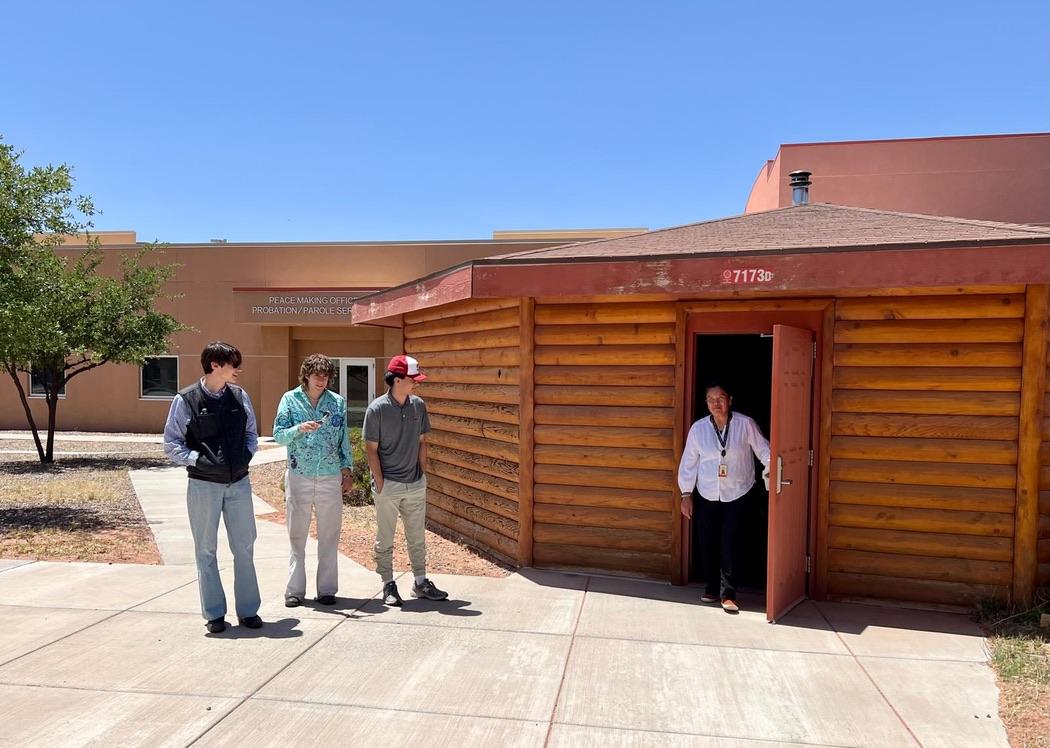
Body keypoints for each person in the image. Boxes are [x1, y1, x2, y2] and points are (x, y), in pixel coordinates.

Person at [163, 341, 263, 634]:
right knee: (206, 550)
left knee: (244, 547)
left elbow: (251, 433)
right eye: (233, 364)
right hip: (203, 486)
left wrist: (245, 455)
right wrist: (198, 460)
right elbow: (171, 443)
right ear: (215, 366)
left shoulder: (240, 396)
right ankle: (215, 614)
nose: (238, 370)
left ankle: (248, 611)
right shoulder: (186, 400)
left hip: (239, 484)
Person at [362, 354, 448, 605]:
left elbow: (423, 441)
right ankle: (388, 584)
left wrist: (422, 474)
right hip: (389, 485)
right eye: (413, 379)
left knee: (417, 537)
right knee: (385, 538)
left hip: (415, 484)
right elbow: (371, 449)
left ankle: (420, 582)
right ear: (398, 380)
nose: (417, 384)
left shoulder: (418, 406)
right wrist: (380, 482)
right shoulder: (376, 409)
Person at [677, 383, 770, 613]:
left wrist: (773, 471)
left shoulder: (745, 424)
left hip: (738, 492)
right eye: (711, 399)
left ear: (730, 399)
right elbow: (689, 462)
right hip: (707, 492)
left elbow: (763, 450)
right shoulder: (698, 429)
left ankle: (728, 593)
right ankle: (710, 587)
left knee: (731, 543)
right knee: (707, 542)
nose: (716, 404)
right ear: (706, 403)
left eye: (720, 398)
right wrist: (686, 494)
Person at [272, 354, 353, 607]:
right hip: (299, 474)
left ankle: (327, 590)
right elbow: (278, 436)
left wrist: (347, 470)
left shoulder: (337, 402)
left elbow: (344, 439)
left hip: (330, 475)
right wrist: (299, 429)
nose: (322, 380)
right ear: (306, 374)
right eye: (317, 375)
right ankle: (295, 591)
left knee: (330, 534)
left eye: (326, 376)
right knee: (297, 535)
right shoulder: (289, 399)